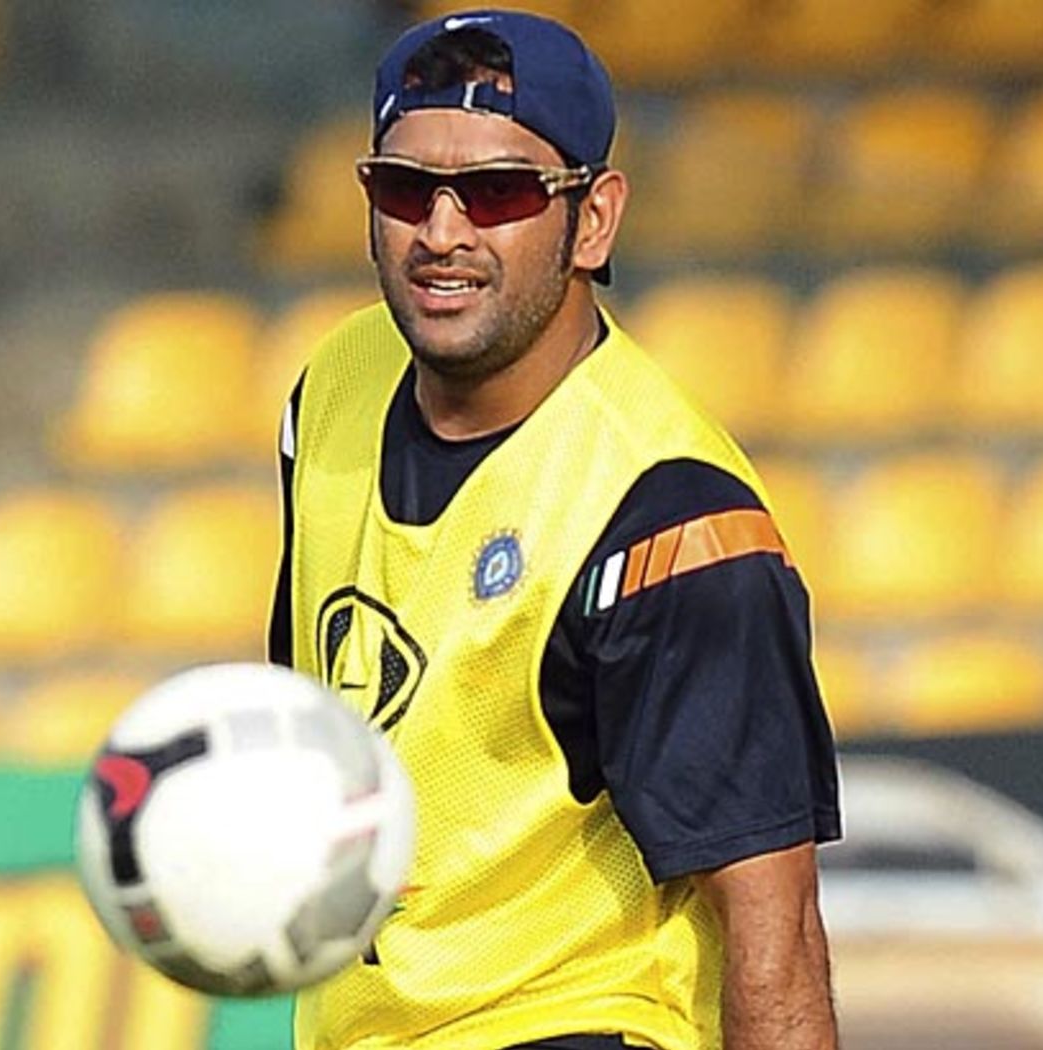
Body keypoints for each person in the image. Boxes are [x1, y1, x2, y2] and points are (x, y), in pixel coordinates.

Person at [268, 9, 840, 1049]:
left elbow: (776, 925)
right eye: (405, 190)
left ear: (593, 218)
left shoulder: (668, 510)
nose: (441, 234)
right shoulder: (333, 390)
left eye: (495, 194)